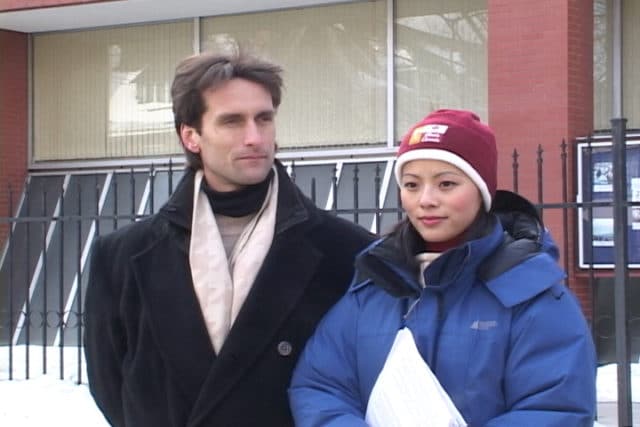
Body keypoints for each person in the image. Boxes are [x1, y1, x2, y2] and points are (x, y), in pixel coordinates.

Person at [83, 50, 375, 427]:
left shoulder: (345, 251)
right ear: (191, 136)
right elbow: (110, 385)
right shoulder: (122, 256)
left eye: (264, 119)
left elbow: (357, 381)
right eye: (232, 121)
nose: (254, 137)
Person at [289, 109, 597, 426]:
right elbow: (321, 388)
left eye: (446, 184)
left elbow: (556, 409)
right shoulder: (374, 283)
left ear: (482, 191)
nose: (426, 200)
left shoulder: (531, 295)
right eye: (411, 185)